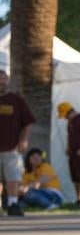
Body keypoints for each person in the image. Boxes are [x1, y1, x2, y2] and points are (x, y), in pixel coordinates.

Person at [0, 69, 35, 216]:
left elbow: (28, 122)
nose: (1, 81)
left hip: (12, 146)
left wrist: (24, 139)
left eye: (3, 78)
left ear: (8, 80)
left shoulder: (17, 100)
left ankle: (13, 203)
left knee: (13, 177)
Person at [57, 102, 80, 206]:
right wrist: (69, 148)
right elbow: (71, 137)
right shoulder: (70, 122)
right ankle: (79, 199)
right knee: (76, 177)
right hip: (73, 154)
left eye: (65, 115)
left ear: (69, 112)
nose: (64, 118)